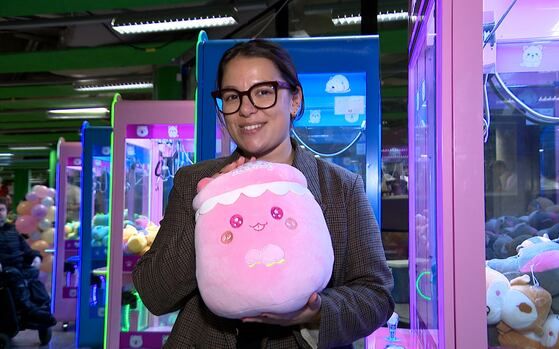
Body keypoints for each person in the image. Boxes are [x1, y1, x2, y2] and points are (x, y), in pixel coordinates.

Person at [133, 39, 394, 349]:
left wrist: (315, 313)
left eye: (264, 92)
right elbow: (154, 294)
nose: (246, 109)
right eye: (232, 96)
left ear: (294, 100)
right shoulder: (194, 182)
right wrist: (207, 208)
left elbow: (376, 294)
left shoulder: (340, 188)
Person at [0, 197, 56, 326]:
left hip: (18, 268)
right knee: (14, 274)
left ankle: (43, 306)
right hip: (4, 272)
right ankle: (30, 310)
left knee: (31, 272)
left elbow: (26, 250)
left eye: (1, 209)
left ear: (6, 212)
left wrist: (36, 256)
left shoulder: (12, 230)